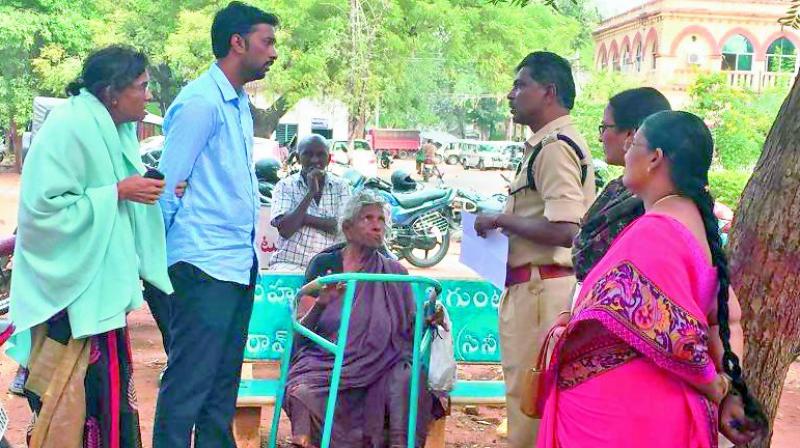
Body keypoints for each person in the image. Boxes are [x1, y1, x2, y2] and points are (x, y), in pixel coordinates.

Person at [537, 111, 767, 448]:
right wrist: (729, 389)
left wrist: (716, 386)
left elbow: (676, 335)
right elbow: (726, 320)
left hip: (627, 419)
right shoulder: (692, 223)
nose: (627, 152)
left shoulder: (656, 231)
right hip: (654, 414)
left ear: (654, 158)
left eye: (635, 145)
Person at [6, 45, 174, 447]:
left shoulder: (117, 129)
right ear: (111, 92)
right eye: (141, 86)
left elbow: (116, 195)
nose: (147, 95)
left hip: (102, 296)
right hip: (72, 300)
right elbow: (42, 213)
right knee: (74, 408)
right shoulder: (70, 126)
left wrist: (137, 190)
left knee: (108, 403)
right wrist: (117, 191)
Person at [152, 3, 279, 447]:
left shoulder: (239, 102)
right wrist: (160, 263)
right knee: (188, 386)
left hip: (235, 266)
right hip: (202, 265)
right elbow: (166, 187)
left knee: (221, 392)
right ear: (237, 42)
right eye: (267, 41)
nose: (274, 53)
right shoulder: (200, 102)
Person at [473, 51, 596, 447]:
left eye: (520, 85)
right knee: (532, 401)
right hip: (536, 289)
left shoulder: (555, 147)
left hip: (543, 292)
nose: (511, 94)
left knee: (530, 404)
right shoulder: (546, 145)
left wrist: (500, 219)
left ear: (549, 92)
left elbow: (565, 228)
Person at [283, 189, 445, 447]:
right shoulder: (325, 267)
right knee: (303, 392)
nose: (377, 226)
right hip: (327, 361)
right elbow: (302, 332)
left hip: (383, 361)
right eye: (367, 218)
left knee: (406, 378)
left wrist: (428, 319)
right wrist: (322, 304)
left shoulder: (394, 272)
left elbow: (407, 327)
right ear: (347, 228)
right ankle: (302, 441)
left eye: (381, 220)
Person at [572, 87, 671, 283]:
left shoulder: (656, 204)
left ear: (632, 135)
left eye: (605, 128)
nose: (600, 138)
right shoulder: (617, 189)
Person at [268, 134, 352, 272]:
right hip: (289, 264)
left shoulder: (341, 186)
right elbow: (286, 230)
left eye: (321, 155)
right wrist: (311, 192)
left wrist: (303, 218)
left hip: (328, 267)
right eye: (308, 154)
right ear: (297, 158)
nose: (314, 160)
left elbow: (342, 228)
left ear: (329, 159)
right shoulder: (284, 186)